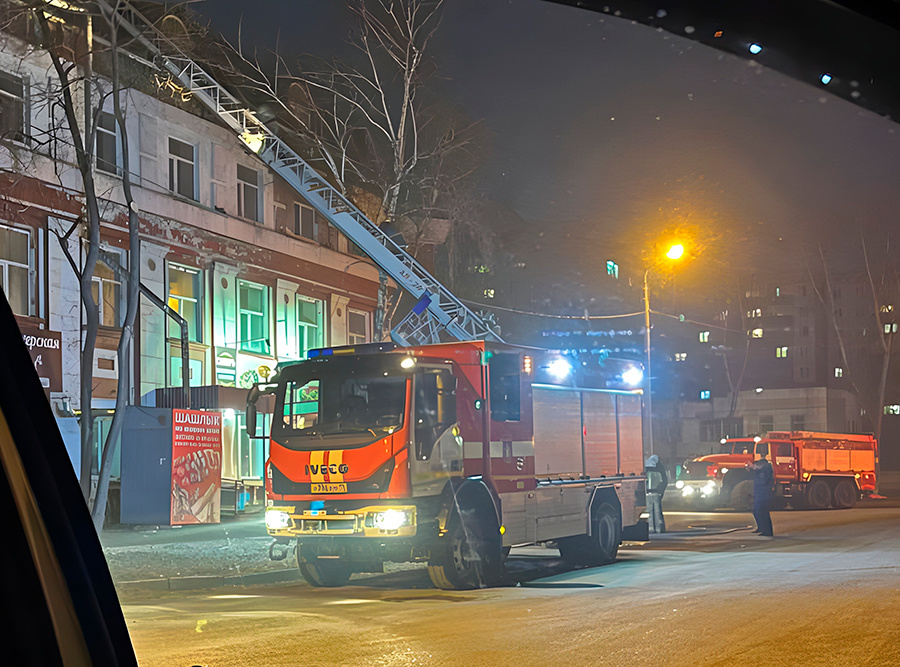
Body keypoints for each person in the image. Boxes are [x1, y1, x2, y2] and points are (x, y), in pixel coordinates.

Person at [748, 455, 775, 536]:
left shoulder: (765, 470)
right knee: (757, 511)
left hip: (764, 494)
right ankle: (762, 528)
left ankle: (767, 531)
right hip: (760, 494)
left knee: (763, 512)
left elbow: (762, 480)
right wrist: (754, 469)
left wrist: (755, 469)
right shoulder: (763, 470)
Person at [645, 454, 668, 534]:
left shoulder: (646, 468)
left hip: (648, 493)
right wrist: (661, 492)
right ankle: (659, 528)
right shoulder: (659, 468)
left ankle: (651, 528)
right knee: (658, 512)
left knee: (650, 511)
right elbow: (664, 481)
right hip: (657, 494)